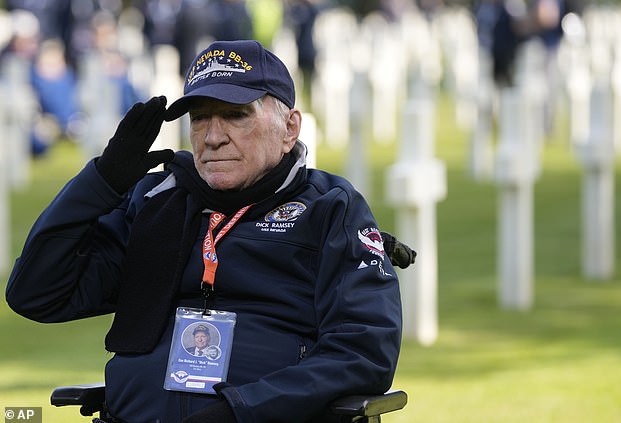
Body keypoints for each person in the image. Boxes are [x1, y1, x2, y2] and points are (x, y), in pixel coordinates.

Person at [6, 39, 412, 423]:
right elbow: (36, 295)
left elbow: (364, 351)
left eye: (236, 115)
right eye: (200, 118)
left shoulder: (329, 207)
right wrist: (99, 184)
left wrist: (242, 410)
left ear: (289, 129)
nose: (214, 137)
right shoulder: (154, 201)